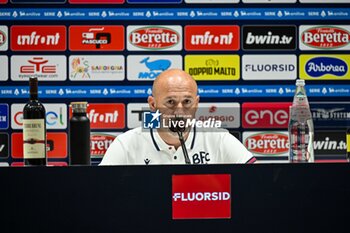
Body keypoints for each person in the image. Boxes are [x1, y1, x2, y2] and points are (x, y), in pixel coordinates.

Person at [100, 69, 256, 165]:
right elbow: (102, 191)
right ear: (153, 105)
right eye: (170, 102)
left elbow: (258, 181)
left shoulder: (219, 139)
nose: (180, 112)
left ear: (196, 103)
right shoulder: (126, 144)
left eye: (187, 102)